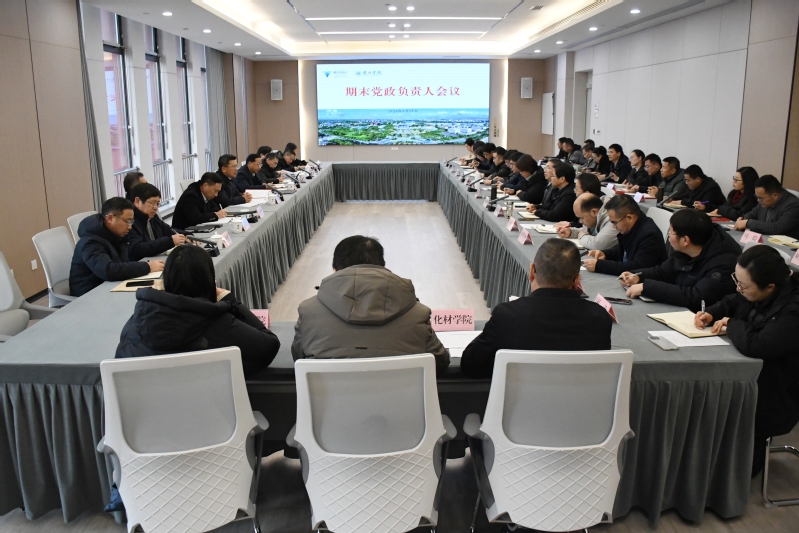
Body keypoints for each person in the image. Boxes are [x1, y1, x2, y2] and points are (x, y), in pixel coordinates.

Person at [694, 246, 799, 476]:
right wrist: (712, 312)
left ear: (770, 287)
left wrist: (732, 323)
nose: (738, 288)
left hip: (776, 391)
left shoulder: (793, 310)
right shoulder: (757, 292)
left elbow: (758, 345)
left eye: (744, 285)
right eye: (737, 281)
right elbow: (733, 301)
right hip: (752, 375)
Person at [115, 244, 280, 377]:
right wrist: (230, 299)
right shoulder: (218, 323)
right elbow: (269, 345)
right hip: (212, 408)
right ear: (208, 280)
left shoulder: (138, 321)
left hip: (151, 409)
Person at [460, 239, 612, 379]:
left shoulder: (507, 315)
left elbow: (470, 365)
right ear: (577, 281)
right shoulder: (599, 318)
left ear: (532, 271)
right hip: (579, 400)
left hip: (517, 401)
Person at [292, 236, 449, 370]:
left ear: (335, 271)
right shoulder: (417, 314)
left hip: (332, 398)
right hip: (398, 398)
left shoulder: (308, 311)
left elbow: (299, 358)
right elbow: (440, 362)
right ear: (382, 268)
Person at [620, 209, 740, 311]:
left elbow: (696, 297)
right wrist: (637, 276)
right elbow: (663, 271)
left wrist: (647, 287)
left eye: (671, 232)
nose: (668, 236)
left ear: (685, 240)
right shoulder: (688, 249)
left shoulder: (724, 263)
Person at [69, 198, 164, 297]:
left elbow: (122, 264)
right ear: (110, 218)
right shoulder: (90, 242)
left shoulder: (115, 236)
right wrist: (147, 267)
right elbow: (107, 270)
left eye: (131, 222)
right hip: (89, 296)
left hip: (111, 287)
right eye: (127, 221)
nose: (130, 227)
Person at [583, 194, 668, 276]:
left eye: (615, 223)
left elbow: (636, 268)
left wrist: (599, 265)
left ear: (629, 218)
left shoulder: (650, 235)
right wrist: (605, 254)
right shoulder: (634, 227)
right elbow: (623, 252)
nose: (613, 226)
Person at [128, 183, 186, 261]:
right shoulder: (130, 221)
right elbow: (138, 249)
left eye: (157, 204)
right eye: (152, 203)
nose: (155, 208)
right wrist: (170, 241)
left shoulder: (153, 217)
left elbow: (168, 230)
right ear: (137, 201)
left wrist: (186, 235)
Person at [735, 175, 799, 239]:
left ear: (775, 196)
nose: (758, 200)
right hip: (765, 240)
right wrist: (743, 219)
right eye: (757, 197)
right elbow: (753, 213)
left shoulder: (793, 205)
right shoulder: (765, 200)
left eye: (760, 198)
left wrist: (748, 223)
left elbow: (777, 228)